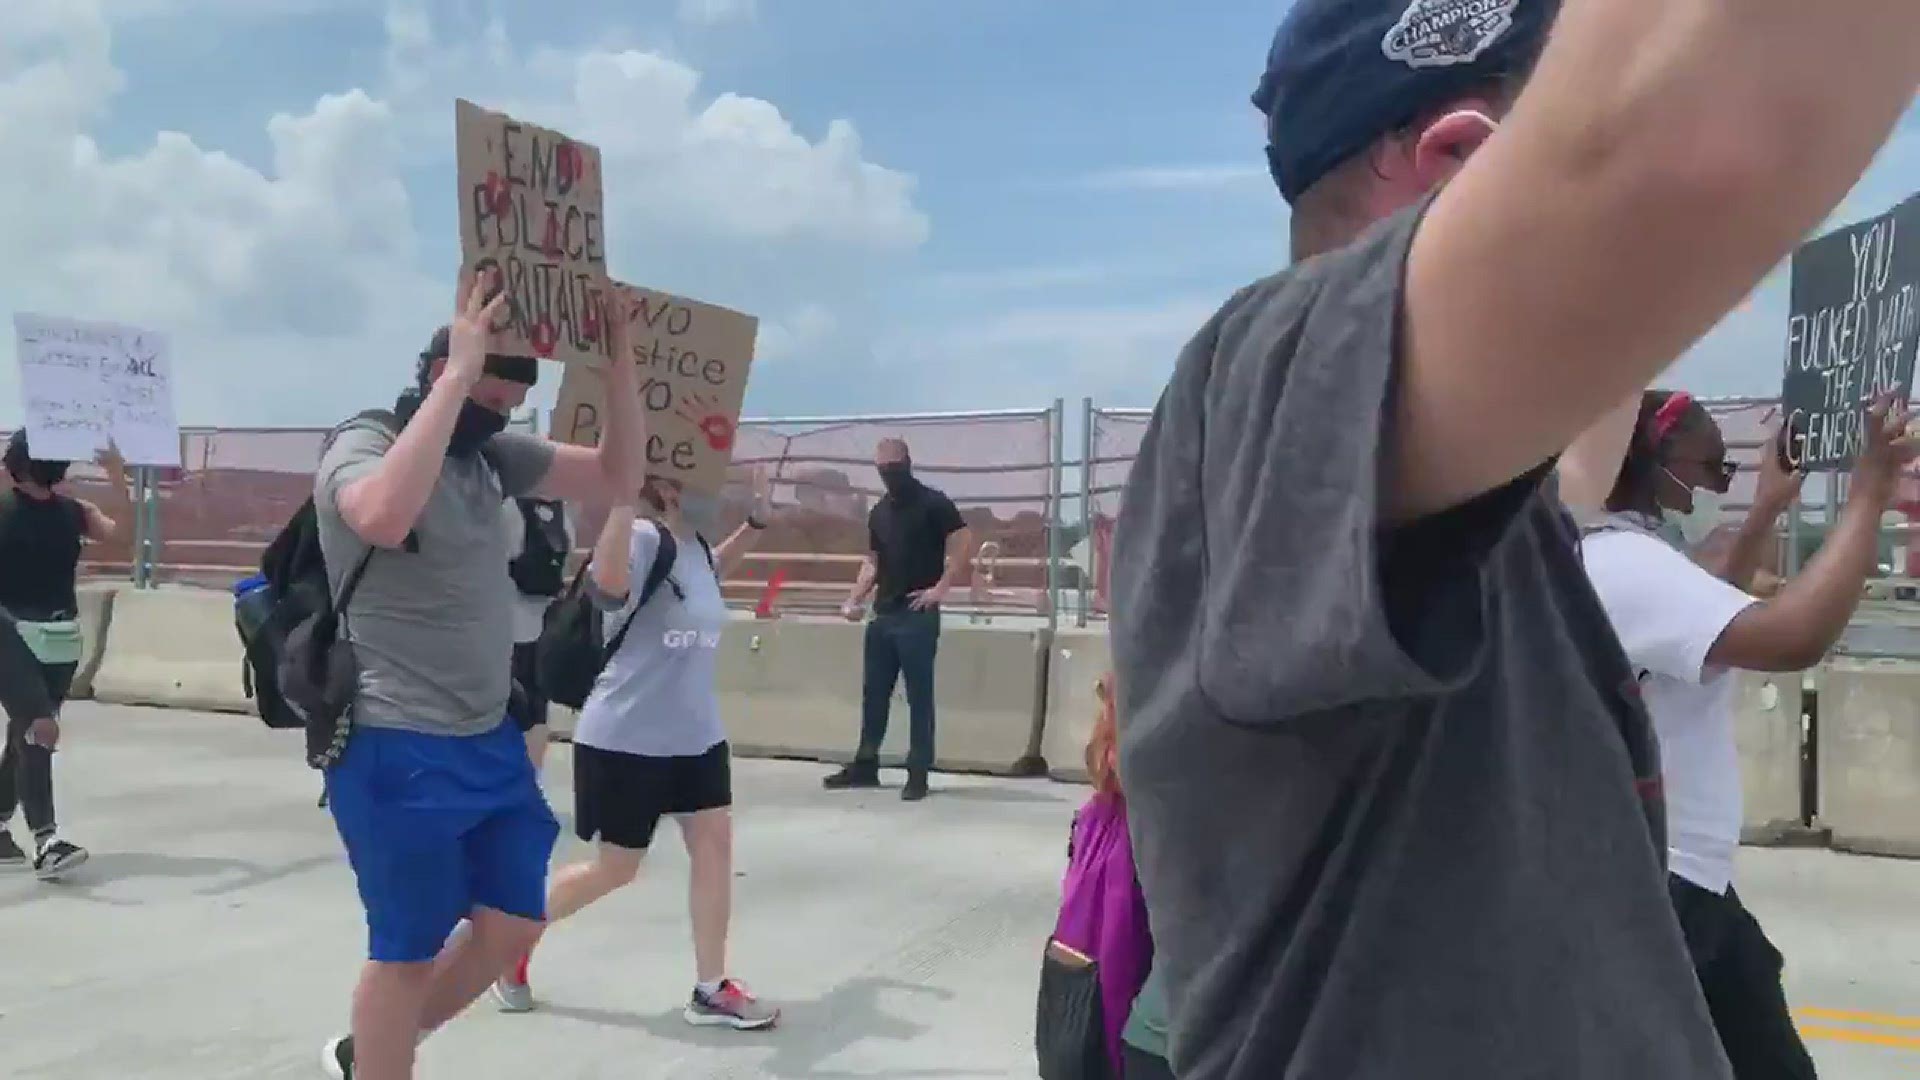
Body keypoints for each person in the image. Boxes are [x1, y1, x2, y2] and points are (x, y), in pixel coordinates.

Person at [1107, 0, 1920, 1075]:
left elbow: (1591, 381)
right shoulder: (1271, 390)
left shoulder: (1462, 491)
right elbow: (1695, 140)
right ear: (1461, 157)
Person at [315, 272, 643, 1080]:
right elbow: (383, 517)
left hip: (485, 736)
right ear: (438, 376)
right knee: (405, 951)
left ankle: (375, 1052)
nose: (492, 416)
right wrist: (460, 374)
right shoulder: (362, 445)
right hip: (395, 739)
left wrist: (620, 366)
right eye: (481, 398)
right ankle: (384, 1057)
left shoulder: (491, 456)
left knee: (512, 923)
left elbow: (617, 477)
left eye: (503, 404)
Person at [1580, 390, 1912, 1080]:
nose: (1717, 491)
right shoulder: (1627, 566)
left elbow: (1701, 606)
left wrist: (1765, 508)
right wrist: (1866, 499)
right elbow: (1795, 638)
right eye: (1714, 472)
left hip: (1677, 876)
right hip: (1664, 886)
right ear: (1658, 464)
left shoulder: (1617, 556)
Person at [493, 471, 779, 1029]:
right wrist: (622, 504)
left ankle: (711, 987)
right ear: (672, 490)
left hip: (696, 735)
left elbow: (710, 575)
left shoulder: (691, 546)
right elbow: (607, 584)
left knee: (715, 846)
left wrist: (757, 523)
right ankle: (510, 938)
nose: (716, 492)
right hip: (627, 736)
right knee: (615, 868)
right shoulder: (643, 538)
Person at [0, 434, 133, 880]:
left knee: (27, 733)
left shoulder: (73, 511)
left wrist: (118, 480)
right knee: (40, 728)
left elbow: (122, 540)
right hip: (7, 629)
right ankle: (47, 841)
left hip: (59, 635)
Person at [823, 439, 972, 801]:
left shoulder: (933, 503)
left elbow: (965, 539)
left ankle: (918, 770)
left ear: (907, 463)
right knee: (874, 693)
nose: (889, 476)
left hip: (917, 614)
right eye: (883, 470)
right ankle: (866, 763)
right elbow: (873, 560)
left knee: (919, 696)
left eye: (893, 468)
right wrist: (853, 598)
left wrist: (941, 587)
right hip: (883, 613)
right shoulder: (879, 513)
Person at [503, 493, 573, 772]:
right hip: (543, 623)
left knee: (507, 710)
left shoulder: (508, 508)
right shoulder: (560, 511)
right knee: (537, 709)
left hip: (506, 624)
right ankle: (533, 778)